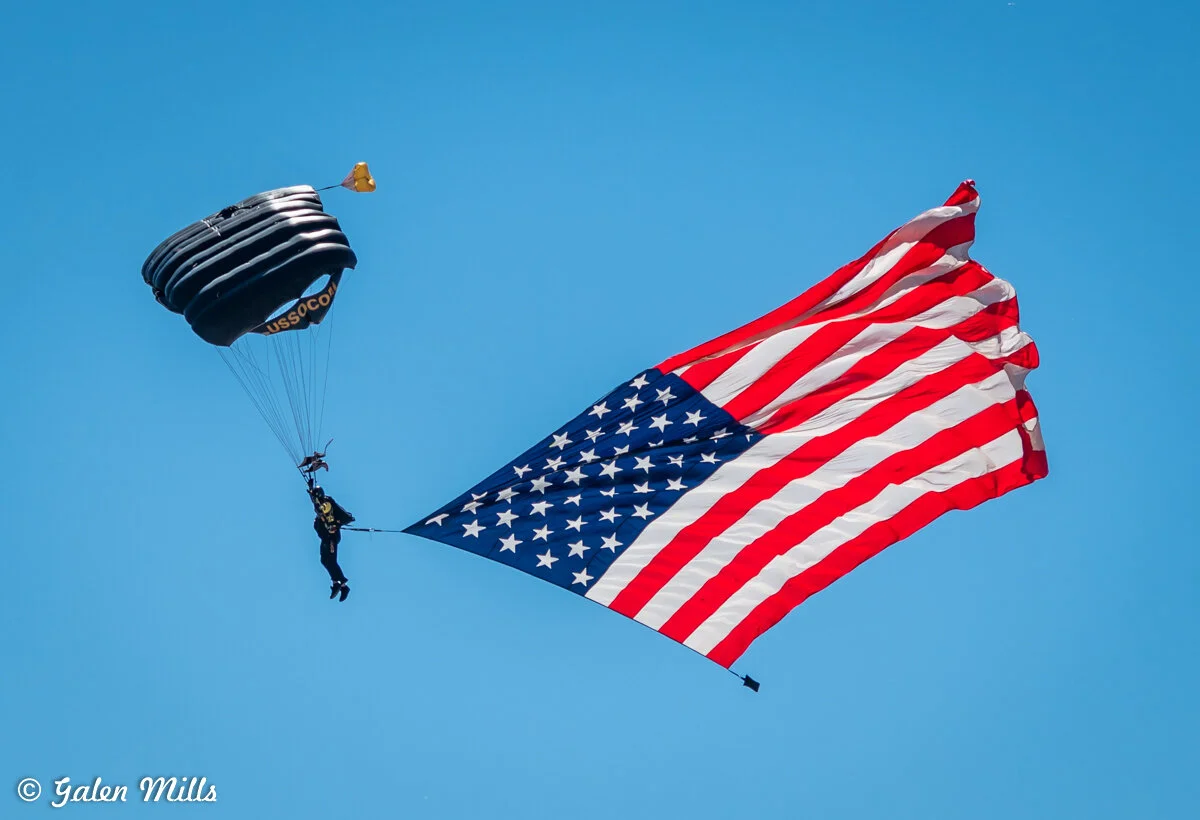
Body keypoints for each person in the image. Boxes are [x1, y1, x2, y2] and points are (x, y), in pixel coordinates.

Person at [308, 480, 356, 601]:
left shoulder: (327, 504)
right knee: (324, 560)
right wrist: (310, 490)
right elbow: (317, 506)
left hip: (331, 539)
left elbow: (319, 510)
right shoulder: (322, 503)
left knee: (331, 561)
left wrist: (313, 498)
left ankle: (343, 585)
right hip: (326, 538)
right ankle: (337, 584)